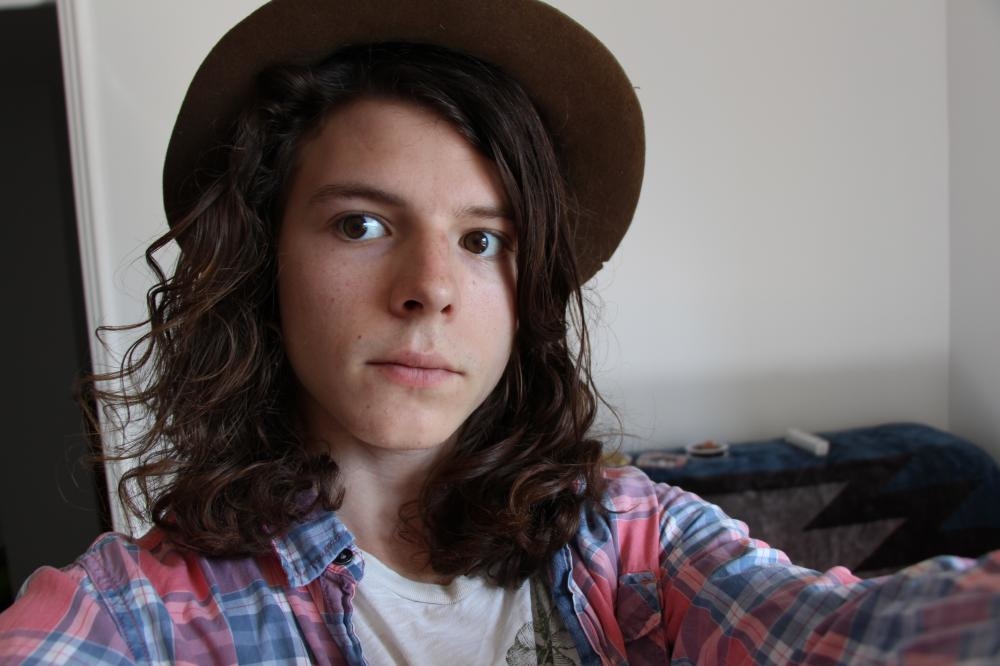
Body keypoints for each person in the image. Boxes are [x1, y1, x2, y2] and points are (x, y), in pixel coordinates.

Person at [1, 1, 998, 664]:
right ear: (264, 257)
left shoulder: (631, 539)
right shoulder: (133, 618)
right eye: (362, 224)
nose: (431, 289)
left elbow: (836, 635)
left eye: (484, 240)